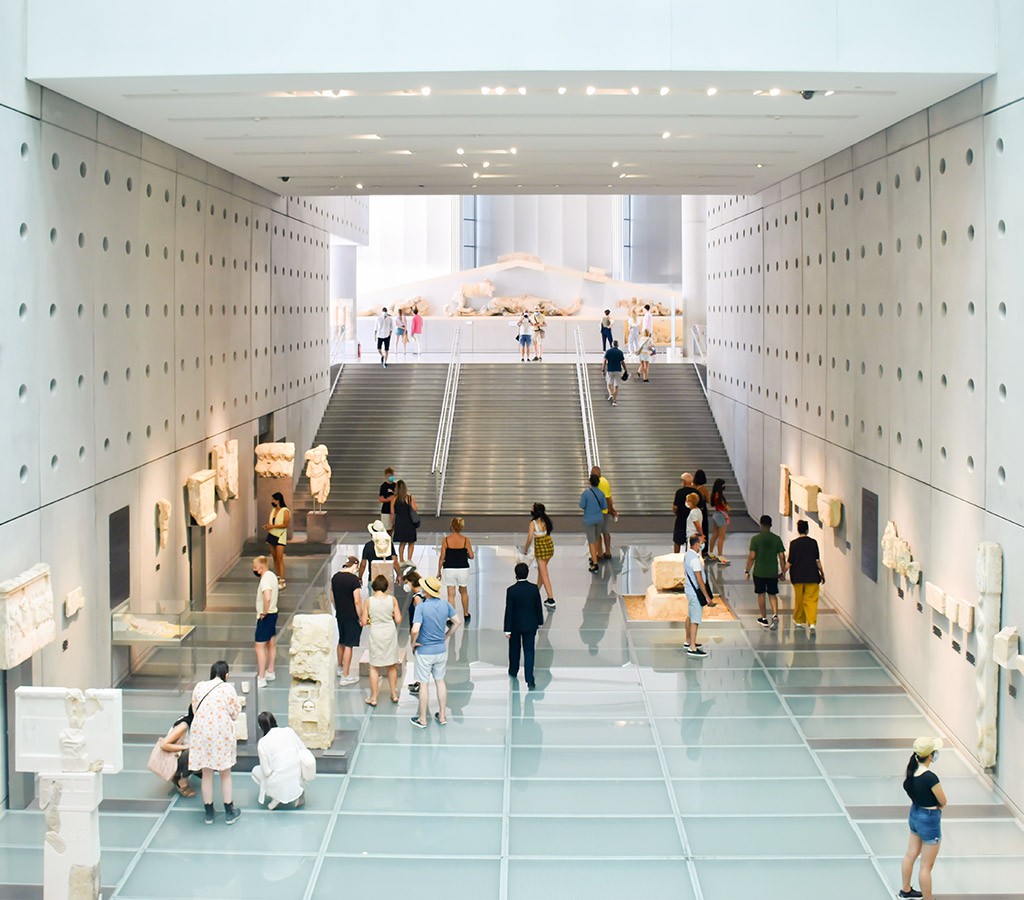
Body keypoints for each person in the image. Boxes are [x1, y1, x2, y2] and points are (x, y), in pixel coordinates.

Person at [188, 660, 241, 825]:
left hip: (201, 732)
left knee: (207, 773)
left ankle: (209, 812)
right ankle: (229, 811)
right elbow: (235, 712)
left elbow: (194, 708)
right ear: (226, 675)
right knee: (225, 773)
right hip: (221, 732)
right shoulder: (228, 688)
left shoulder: (199, 686)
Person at [900, 736, 947, 900]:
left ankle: (905, 890)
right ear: (930, 755)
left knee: (910, 854)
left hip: (915, 814)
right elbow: (943, 800)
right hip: (929, 819)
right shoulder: (930, 777)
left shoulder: (911, 771)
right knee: (926, 866)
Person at [409, 576, 457, 728]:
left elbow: (415, 629)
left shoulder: (421, 607)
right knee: (440, 681)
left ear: (427, 591)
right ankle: (442, 716)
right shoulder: (446, 604)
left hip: (424, 650)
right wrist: (446, 636)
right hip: (440, 650)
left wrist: (412, 642)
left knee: (424, 684)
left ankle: (422, 719)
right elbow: (457, 621)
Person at [251, 711, 315, 810]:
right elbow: (303, 749)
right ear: (274, 720)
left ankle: (276, 796)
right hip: (296, 774)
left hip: (278, 779)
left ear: (261, 727)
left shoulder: (263, 743)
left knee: (256, 771)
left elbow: (267, 772)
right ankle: (298, 788)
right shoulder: (288, 731)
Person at [361, 574, 402, 706]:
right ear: (386, 586)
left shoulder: (368, 601)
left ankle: (373, 697)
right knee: (391, 665)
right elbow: (398, 619)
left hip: (376, 632)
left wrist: (371, 619)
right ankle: (394, 694)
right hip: (390, 632)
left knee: (374, 666)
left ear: (374, 586)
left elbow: (363, 621)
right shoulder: (392, 600)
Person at [504, 562, 544, 688]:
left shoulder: (511, 590)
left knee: (514, 649)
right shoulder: (533, 589)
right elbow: (538, 606)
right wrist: (540, 621)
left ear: (516, 574)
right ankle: (529, 678)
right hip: (531, 625)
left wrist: (507, 629)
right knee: (529, 651)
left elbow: (509, 610)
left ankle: (513, 671)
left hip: (515, 626)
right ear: (527, 573)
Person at [745, 514, 788, 630]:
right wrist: (783, 572)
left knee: (761, 594)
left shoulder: (755, 539)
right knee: (772, 594)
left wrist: (747, 570)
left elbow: (752, 556)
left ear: (761, 525)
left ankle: (764, 618)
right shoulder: (776, 539)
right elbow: (782, 557)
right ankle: (775, 615)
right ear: (771, 525)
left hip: (759, 572)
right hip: (772, 571)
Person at [788, 519, 825, 633]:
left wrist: (782, 572)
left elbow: (790, 562)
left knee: (799, 599)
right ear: (807, 530)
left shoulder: (794, 544)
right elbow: (817, 560)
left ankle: (798, 620)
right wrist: (822, 573)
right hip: (812, 575)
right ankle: (812, 623)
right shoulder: (813, 543)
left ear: (798, 530)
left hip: (798, 576)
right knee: (812, 600)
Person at [331, 555, 363, 686]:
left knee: (341, 641)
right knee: (349, 644)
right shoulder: (353, 580)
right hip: (351, 615)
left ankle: (339, 667)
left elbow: (332, 596)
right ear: (355, 565)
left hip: (340, 614)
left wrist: (337, 608)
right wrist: (360, 616)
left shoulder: (335, 577)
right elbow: (357, 600)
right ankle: (346, 675)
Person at [683, 533, 715, 657]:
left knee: (690, 615)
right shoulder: (695, 560)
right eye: (702, 542)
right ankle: (692, 647)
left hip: (689, 590)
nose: (703, 544)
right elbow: (699, 580)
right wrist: (707, 596)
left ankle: (688, 640)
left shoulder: (688, 555)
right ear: (697, 544)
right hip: (695, 592)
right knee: (695, 619)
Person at [438, 516, 475, 622]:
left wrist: (439, 571)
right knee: (463, 591)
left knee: (451, 594)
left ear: (452, 526)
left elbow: (442, 558)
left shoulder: (446, 540)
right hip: (463, 568)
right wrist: (465, 555)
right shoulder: (465, 540)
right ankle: (466, 614)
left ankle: (451, 617)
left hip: (449, 569)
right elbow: (471, 556)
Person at [252, 555, 279, 689]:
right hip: (274, 614)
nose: (254, 569)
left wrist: (264, 611)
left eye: (255, 567)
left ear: (261, 567)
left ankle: (261, 677)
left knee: (259, 646)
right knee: (271, 643)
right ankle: (270, 670)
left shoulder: (265, 580)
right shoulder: (272, 575)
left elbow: (267, 596)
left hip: (266, 616)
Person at [157, 707, 196, 797]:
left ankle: (190, 771)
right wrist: (185, 747)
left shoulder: (195, 723)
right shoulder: (184, 725)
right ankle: (179, 778)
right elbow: (164, 744)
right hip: (172, 758)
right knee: (195, 751)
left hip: (180, 755)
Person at [523, 502, 555, 609]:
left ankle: (551, 598)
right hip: (549, 547)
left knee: (544, 573)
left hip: (540, 549)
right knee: (542, 571)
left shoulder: (533, 523)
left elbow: (529, 538)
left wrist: (526, 548)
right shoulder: (546, 520)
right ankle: (536, 592)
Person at [402, 568, 427, 696]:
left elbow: (419, 618)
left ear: (411, 582)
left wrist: (414, 637)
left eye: (406, 582)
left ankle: (420, 685)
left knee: (419, 660)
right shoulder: (423, 593)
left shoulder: (417, 598)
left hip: (419, 633)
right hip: (422, 632)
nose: (406, 586)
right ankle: (418, 683)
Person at [579, 472, 607, 573]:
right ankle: (595, 555)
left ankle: (595, 563)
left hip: (589, 519)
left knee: (591, 541)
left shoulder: (586, 493)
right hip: (599, 518)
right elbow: (604, 506)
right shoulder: (601, 493)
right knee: (596, 538)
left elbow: (582, 505)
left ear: (590, 482)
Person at [359, 521, 401, 586]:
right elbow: (395, 562)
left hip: (373, 577)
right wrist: (398, 575)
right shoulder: (389, 544)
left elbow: (363, 565)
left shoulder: (368, 546)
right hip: (388, 577)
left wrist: (360, 577)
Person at [262, 492, 289, 589]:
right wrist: (268, 526)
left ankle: (282, 579)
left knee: (280, 558)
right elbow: (272, 522)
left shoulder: (285, 511)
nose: (272, 501)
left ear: (278, 500)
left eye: (273, 500)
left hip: (280, 536)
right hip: (272, 535)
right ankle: (277, 577)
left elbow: (285, 524)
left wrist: (273, 526)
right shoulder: (273, 510)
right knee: (275, 558)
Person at [389, 479, 419, 563]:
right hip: (409, 522)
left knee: (402, 543)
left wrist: (392, 523)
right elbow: (415, 509)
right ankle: (409, 559)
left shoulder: (394, 499)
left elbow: (392, 513)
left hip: (399, 522)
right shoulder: (409, 498)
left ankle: (401, 560)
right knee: (411, 542)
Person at [591, 465, 617, 560]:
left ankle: (600, 553)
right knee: (605, 531)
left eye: (592, 472)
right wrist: (611, 509)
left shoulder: (598, 483)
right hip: (604, 512)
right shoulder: (605, 482)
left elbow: (607, 498)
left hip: (598, 512)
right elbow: (609, 498)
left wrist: (611, 510)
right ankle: (608, 551)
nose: (591, 474)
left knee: (597, 533)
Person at [672, 472, 702, 552]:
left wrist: (677, 513)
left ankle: (676, 557)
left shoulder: (679, 492)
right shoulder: (697, 492)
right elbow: (701, 507)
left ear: (684, 482)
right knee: (692, 542)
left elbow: (675, 507)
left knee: (677, 541)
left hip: (681, 519)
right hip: (693, 524)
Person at [709, 478, 732, 563]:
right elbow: (726, 507)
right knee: (722, 536)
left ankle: (710, 552)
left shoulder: (714, 494)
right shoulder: (720, 496)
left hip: (716, 514)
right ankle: (720, 555)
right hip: (721, 516)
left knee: (715, 535)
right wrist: (728, 508)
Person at [692, 469, 712, 559]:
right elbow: (709, 501)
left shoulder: (693, 488)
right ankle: (704, 551)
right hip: (702, 512)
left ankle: (694, 548)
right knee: (704, 529)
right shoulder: (704, 489)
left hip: (694, 510)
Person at [602, 339, 628, 406]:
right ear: (618, 345)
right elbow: (622, 362)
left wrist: (603, 370)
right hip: (618, 370)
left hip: (610, 370)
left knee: (608, 384)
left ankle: (610, 394)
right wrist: (626, 370)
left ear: (612, 345)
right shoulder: (620, 352)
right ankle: (614, 401)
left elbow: (604, 361)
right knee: (616, 386)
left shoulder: (608, 352)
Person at [377, 466, 397, 530]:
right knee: (386, 528)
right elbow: (381, 499)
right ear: (385, 476)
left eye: (392, 475)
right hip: (386, 510)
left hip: (395, 510)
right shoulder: (383, 486)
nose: (391, 477)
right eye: (389, 475)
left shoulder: (396, 485)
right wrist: (389, 499)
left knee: (393, 528)